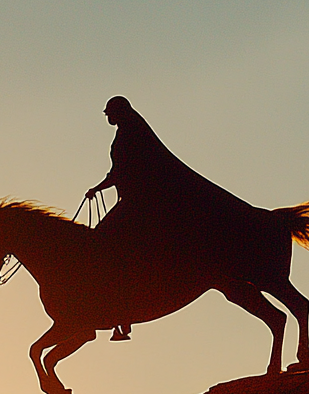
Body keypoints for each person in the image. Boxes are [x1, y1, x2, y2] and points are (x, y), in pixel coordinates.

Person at [86, 96, 252, 339]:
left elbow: (125, 171)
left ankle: (121, 305)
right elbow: (118, 171)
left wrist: (101, 187)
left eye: (110, 113)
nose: (108, 118)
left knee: (102, 240)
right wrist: (99, 188)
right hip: (134, 201)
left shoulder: (131, 133)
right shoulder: (128, 132)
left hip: (140, 202)